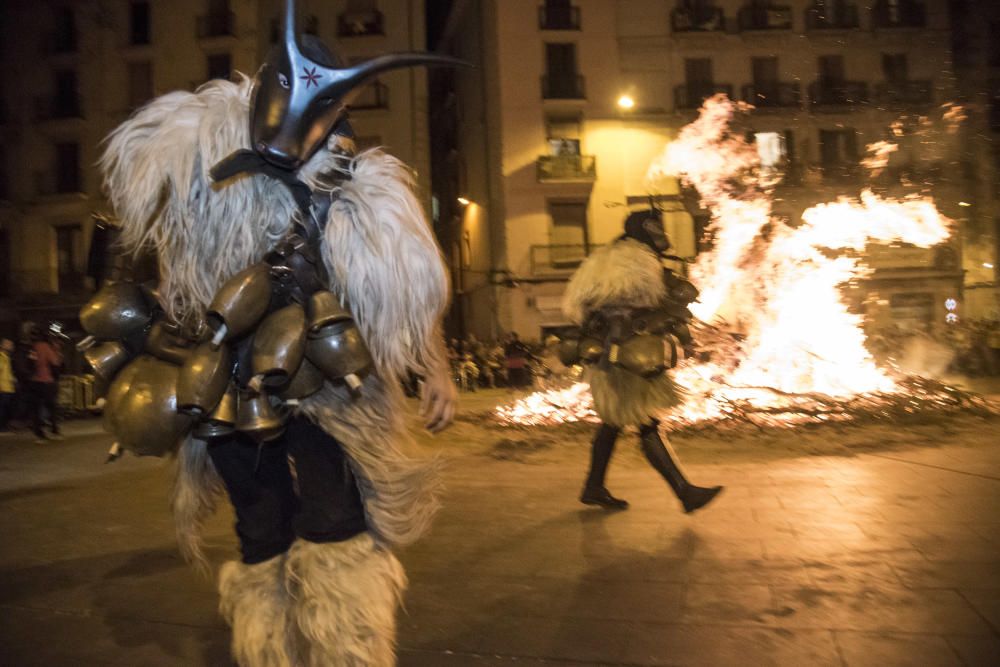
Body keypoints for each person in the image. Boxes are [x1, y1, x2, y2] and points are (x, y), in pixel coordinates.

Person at [92, 2, 460, 664]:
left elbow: (398, 286)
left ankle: (344, 650)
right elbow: (142, 216)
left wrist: (433, 363)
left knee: (334, 524)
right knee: (261, 530)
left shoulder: (357, 187)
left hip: (326, 385)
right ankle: (271, 650)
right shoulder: (205, 152)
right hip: (227, 382)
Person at [563, 209, 722, 513]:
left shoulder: (607, 260)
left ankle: (593, 486)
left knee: (612, 424)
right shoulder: (634, 263)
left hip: (612, 357)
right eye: (657, 227)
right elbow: (630, 308)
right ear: (647, 229)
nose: (662, 232)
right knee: (646, 424)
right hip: (625, 358)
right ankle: (684, 492)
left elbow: (586, 310)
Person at [28, 325, 64, 442]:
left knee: (36, 408)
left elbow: (31, 363)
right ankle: (54, 430)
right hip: (48, 381)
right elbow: (55, 363)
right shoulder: (47, 347)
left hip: (34, 382)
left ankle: (39, 434)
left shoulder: (33, 348)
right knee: (52, 407)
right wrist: (56, 376)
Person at [0, 338, 15, 433]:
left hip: (8, 387)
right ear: (2, 345)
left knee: (5, 408)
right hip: (3, 387)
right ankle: (1, 428)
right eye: (9, 345)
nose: (11, 347)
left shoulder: (6, 357)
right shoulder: (1, 358)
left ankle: (4, 426)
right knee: (2, 408)